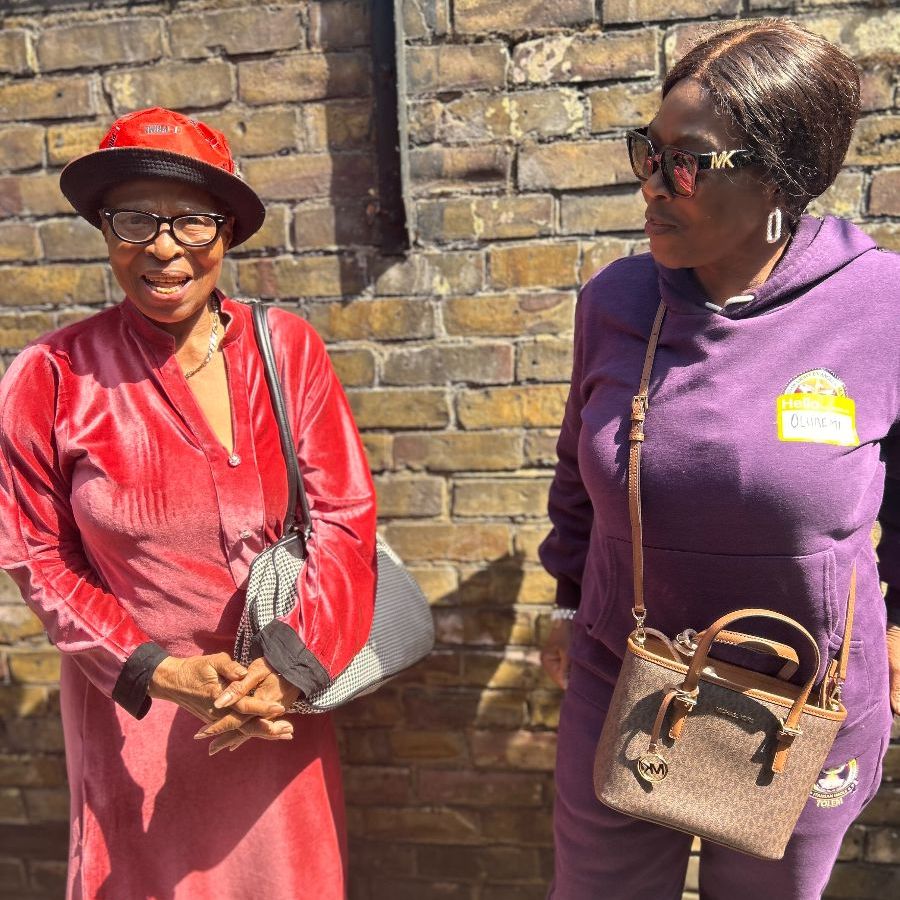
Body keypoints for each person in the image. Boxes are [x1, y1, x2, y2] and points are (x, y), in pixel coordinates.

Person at [539, 19, 899, 900]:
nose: (653, 184)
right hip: (624, 674)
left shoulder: (881, 305)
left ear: (779, 175)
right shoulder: (617, 300)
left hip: (801, 701)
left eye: (688, 162)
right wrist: (566, 596)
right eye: (648, 152)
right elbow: (578, 470)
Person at [0, 107, 377, 899]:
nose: (164, 247)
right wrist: (159, 672)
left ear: (227, 232)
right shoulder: (51, 376)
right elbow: (36, 556)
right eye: (135, 219)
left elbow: (344, 521)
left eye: (191, 221)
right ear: (106, 232)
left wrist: (288, 672)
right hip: (133, 711)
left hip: (275, 702)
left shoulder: (287, 351)